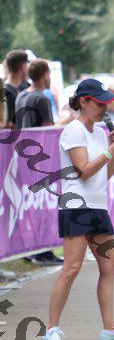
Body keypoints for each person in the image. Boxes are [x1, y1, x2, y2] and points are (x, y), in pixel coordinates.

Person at [41, 78, 114, 340]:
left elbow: (106, 173)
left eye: (106, 103)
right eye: (99, 103)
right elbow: (83, 170)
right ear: (83, 102)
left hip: (97, 206)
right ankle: (51, 331)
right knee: (71, 268)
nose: (104, 108)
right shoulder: (73, 130)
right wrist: (111, 150)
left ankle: (110, 329)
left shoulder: (98, 132)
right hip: (76, 207)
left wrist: (113, 151)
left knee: (109, 266)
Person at [14, 59, 62, 266]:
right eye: (49, 74)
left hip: (23, 158)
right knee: (43, 208)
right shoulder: (41, 98)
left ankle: (32, 249)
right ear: (45, 75)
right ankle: (44, 251)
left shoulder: (21, 95)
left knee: (30, 208)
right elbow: (47, 131)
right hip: (40, 161)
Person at [4, 49, 29, 128]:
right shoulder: (4, 92)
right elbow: (7, 123)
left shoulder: (27, 87)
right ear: (22, 67)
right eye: (26, 65)